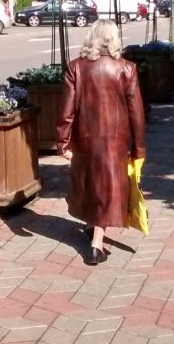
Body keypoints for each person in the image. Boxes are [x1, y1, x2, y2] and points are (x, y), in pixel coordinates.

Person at [58, 19, 146, 265]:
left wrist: (63, 141)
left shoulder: (76, 67)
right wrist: (138, 147)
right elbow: (136, 113)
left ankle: (91, 227)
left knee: (90, 183)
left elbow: (66, 110)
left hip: (84, 138)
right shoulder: (126, 69)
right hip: (115, 142)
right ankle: (97, 244)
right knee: (107, 188)